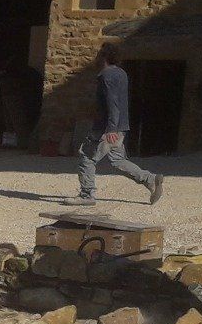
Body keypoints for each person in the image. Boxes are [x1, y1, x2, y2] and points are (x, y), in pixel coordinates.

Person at [69, 44, 165, 206]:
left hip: (106, 128)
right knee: (118, 160)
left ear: (103, 57)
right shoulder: (121, 74)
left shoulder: (106, 76)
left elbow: (112, 103)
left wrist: (111, 128)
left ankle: (86, 195)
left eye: (98, 55)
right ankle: (150, 179)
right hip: (121, 126)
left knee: (87, 156)